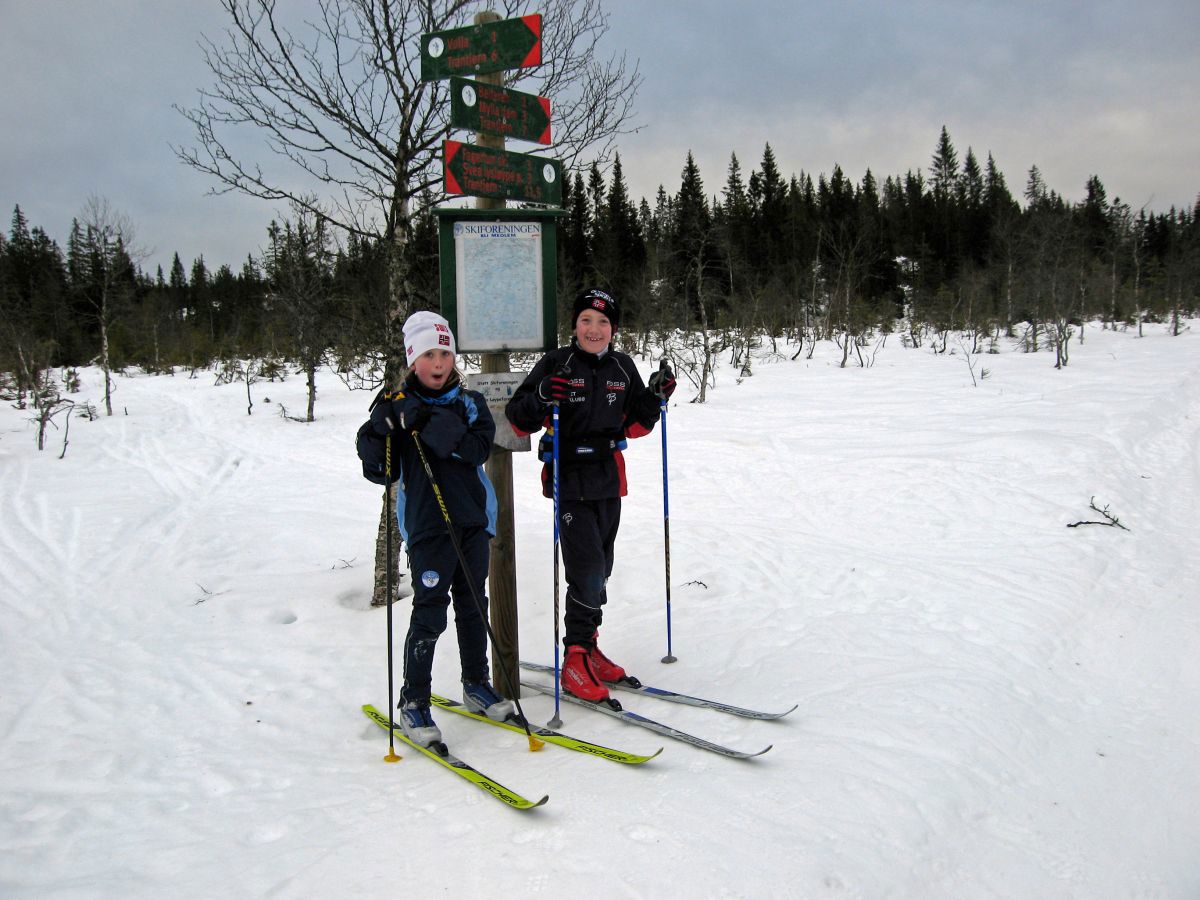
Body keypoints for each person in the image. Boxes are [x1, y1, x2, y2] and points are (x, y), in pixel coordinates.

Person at [505, 288, 676, 703]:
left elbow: (636, 424)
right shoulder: (556, 364)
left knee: (602, 570)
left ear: (613, 329)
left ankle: (589, 646)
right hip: (569, 478)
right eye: (586, 320)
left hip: (607, 479)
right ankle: (575, 659)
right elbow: (518, 418)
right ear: (574, 325)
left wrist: (656, 395)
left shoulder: (622, 365)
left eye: (603, 322)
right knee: (586, 568)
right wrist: (543, 394)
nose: (594, 329)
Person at [367, 310, 514, 747]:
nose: (438, 362)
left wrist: (429, 423)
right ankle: (414, 702)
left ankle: (476, 682)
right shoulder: (397, 404)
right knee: (430, 612)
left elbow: (473, 450)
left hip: (472, 521)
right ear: (413, 359)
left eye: (445, 353)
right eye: (429, 354)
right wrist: (381, 429)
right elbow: (380, 469)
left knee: (473, 606)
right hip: (429, 527)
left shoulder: (469, 403)